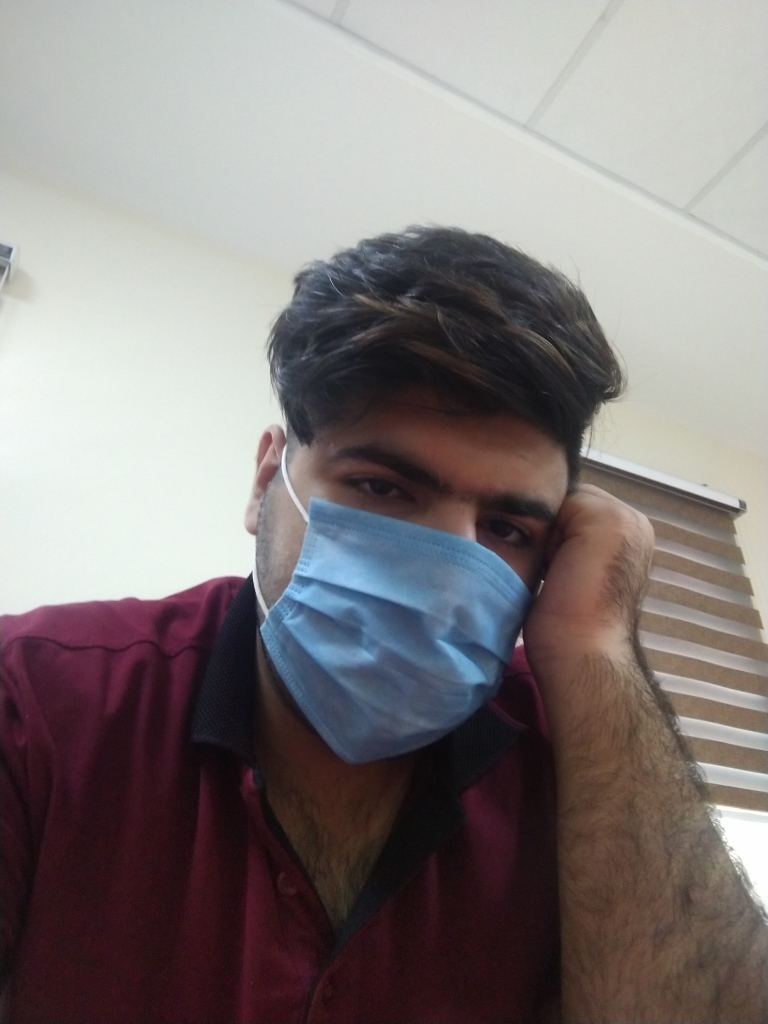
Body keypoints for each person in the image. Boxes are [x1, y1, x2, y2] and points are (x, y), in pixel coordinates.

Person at [1, 227, 766, 1023]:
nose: (448, 575)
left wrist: (598, 649)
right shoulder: (39, 700)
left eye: (507, 529)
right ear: (266, 482)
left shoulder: (574, 758)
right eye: (382, 487)